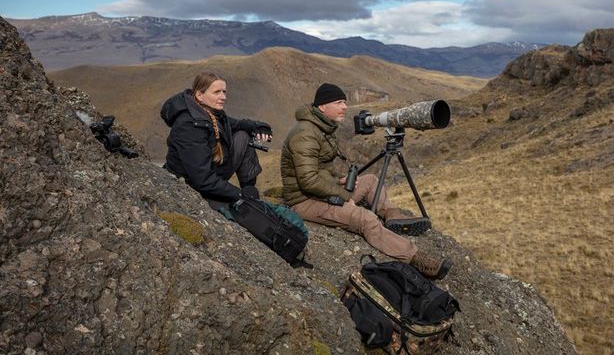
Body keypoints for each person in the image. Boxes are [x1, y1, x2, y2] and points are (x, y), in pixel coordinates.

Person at [280, 83, 452, 279]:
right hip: (303, 201)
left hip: (320, 191)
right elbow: (308, 181)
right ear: (322, 106)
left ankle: (393, 216)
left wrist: (338, 180)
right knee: (365, 218)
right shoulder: (305, 133)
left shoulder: (322, 127)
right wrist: (344, 196)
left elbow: (321, 169)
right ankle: (416, 258)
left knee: (370, 180)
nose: (345, 106)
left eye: (344, 102)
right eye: (339, 102)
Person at [160, 72, 273, 205]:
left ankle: (249, 187)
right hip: (191, 184)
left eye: (224, 92)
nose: (223, 97)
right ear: (199, 95)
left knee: (243, 134)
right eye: (217, 92)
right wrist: (239, 195)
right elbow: (201, 179)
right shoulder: (189, 125)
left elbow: (239, 124)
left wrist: (260, 127)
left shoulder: (212, 114)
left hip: (210, 173)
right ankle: (247, 196)